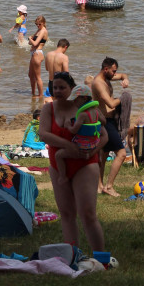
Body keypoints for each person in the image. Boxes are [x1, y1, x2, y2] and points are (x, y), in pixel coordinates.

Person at [38, 71, 107, 251]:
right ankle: (73, 257)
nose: (58, 91)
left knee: (88, 214)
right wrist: (68, 145)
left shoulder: (83, 108)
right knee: (67, 214)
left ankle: (102, 259)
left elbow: (105, 136)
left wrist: (94, 149)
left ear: (72, 89)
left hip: (85, 163)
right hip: (58, 165)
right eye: (55, 88)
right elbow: (43, 134)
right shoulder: (48, 109)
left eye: (63, 87)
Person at [92, 57, 132, 197]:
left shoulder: (107, 77)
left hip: (109, 121)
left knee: (103, 154)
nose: (116, 74)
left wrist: (125, 79)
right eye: (114, 71)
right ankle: (108, 187)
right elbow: (110, 103)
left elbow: (122, 75)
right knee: (121, 153)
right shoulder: (98, 83)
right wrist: (124, 98)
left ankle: (99, 186)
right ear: (106, 69)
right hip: (105, 122)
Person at [55, 86, 104, 184]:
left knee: (58, 155)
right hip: (94, 144)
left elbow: (73, 131)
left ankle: (62, 176)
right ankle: (99, 158)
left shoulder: (82, 115)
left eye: (75, 100)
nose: (73, 102)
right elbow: (104, 121)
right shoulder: (96, 111)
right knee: (99, 141)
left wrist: (68, 125)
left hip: (82, 146)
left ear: (84, 98)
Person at [28, 16, 48, 97]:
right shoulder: (39, 30)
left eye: (39, 24)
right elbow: (30, 43)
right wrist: (31, 39)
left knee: (37, 77)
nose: (38, 25)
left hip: (37, 53)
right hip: (34, 53)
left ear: (43, 23)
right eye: (36, 24)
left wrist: (30, 38)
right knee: (30, 75)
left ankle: (40, 95)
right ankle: (33, 93)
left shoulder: (43, 31)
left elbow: (35, 43)